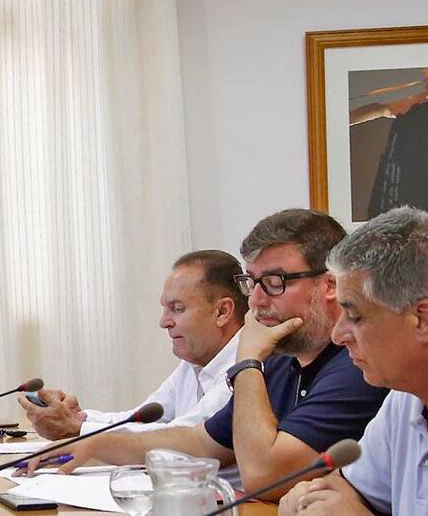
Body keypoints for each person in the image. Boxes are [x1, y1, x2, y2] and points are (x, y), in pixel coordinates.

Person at [22, 209, 388, 498]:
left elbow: (263, 475)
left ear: (329, 284)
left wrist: (248, 362)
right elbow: (201, 441)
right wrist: (97, 442)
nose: (256, 301)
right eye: (252, 282)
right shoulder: (282, 359)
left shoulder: (357, 365)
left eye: (274, 283)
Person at [280, 207, 428, 516]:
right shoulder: (404, 398)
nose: (338, 335)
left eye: (355, 316)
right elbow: (348, 488)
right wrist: (312, 503)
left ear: (422, 319)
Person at [20, 250, 246, 439]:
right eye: (165, 309)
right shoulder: (194, 362)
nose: (164, 322)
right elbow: (140, 420)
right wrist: (79, 418)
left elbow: (185, 436)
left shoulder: (244, 367)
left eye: (177, 309)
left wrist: (76, 429)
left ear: (222, 311)